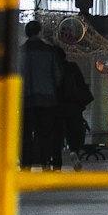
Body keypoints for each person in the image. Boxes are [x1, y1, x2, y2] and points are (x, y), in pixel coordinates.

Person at [19, 20, 65, 169]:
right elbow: (58, 75)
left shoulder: (21, 51)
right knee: (45, 133)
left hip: (26, 99)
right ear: (40, 32)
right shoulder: (49, 50)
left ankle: (26, 164)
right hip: (47, 99)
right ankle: (45, 162)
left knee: (26, 135)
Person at [58, 56, 93, 168]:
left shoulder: (54, 67)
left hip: (58, 106)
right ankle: (74, 151)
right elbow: (81, 84)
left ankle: (56, 160)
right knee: (74, 130)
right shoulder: (72, 66)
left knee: (58, 133)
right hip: (74, 105)